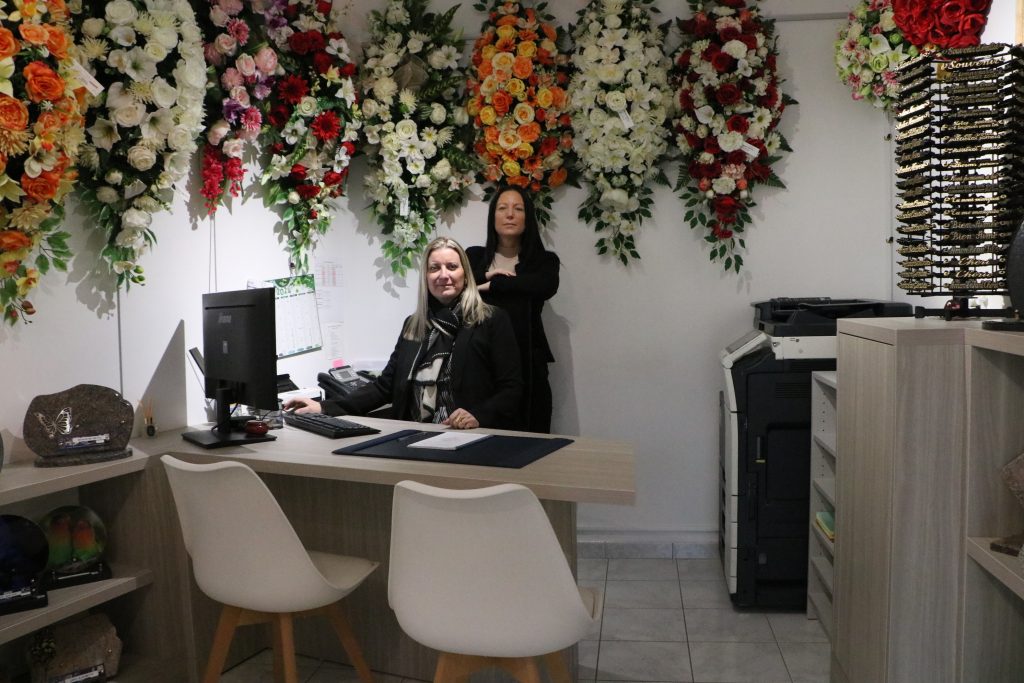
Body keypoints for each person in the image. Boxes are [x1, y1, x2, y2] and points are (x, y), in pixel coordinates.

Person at [284, 237, 523, 430]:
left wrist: (478, 415)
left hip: (469, 437)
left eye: (452, 267)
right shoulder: (414, 325)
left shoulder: (490, 320)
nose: (443, 275)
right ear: (426, 277)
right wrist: (324, 408)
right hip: (413, 435)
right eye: (434, 268)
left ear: (465, 274)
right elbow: (384, 387)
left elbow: (512, 389)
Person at [467, 185, 560, 433]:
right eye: (502, 208)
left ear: (527, 218)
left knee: (531, 441)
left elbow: (545, 286)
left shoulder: (544, 261)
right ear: (493, 217)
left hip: (528, 365)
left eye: (518, 209)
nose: (510, 214)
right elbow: (456, 288)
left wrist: (491, 285)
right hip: (480, 365)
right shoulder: (474, 257)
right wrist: (486, 276)